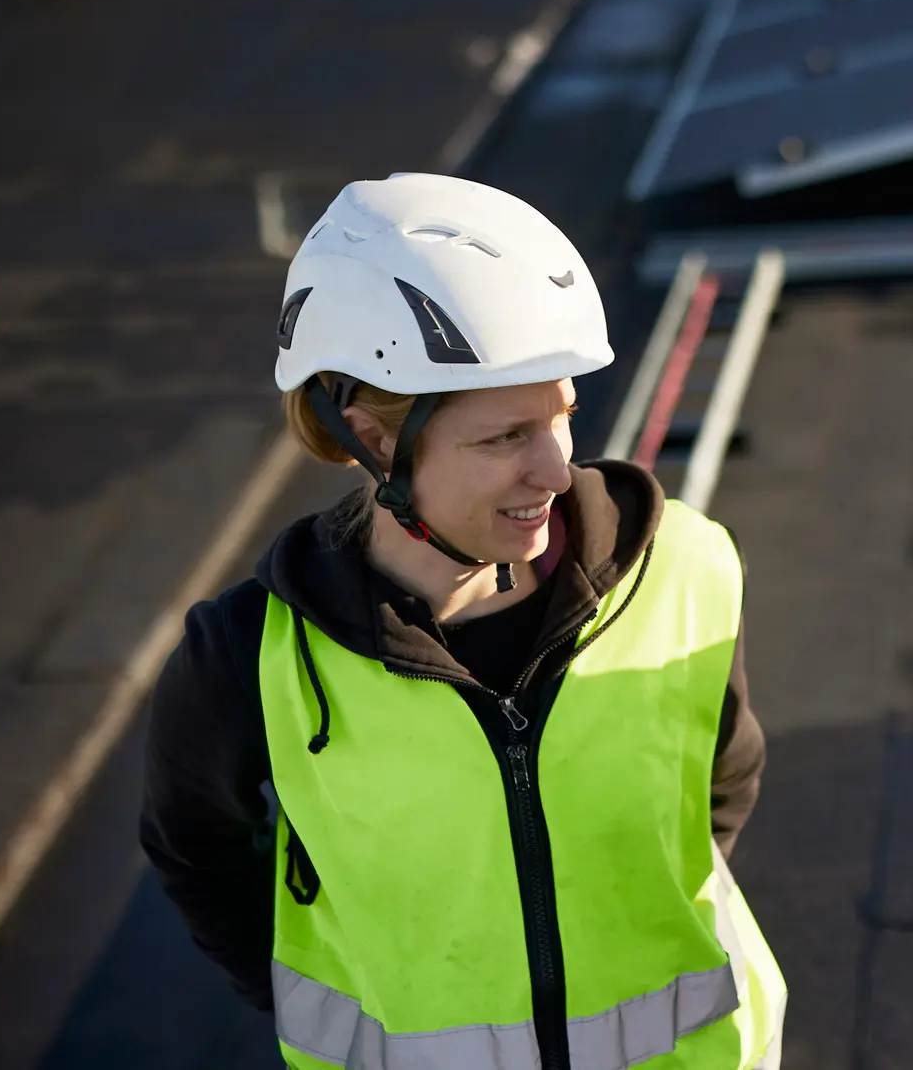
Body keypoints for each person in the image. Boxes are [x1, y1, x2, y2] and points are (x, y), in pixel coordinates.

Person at [142, 172, 786, 1070]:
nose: (557, 470)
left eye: (562, 416)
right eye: (504, 437)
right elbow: (196, 854)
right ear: (372, 437)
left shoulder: (684, 568)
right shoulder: (250, 661)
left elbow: (725, 779)